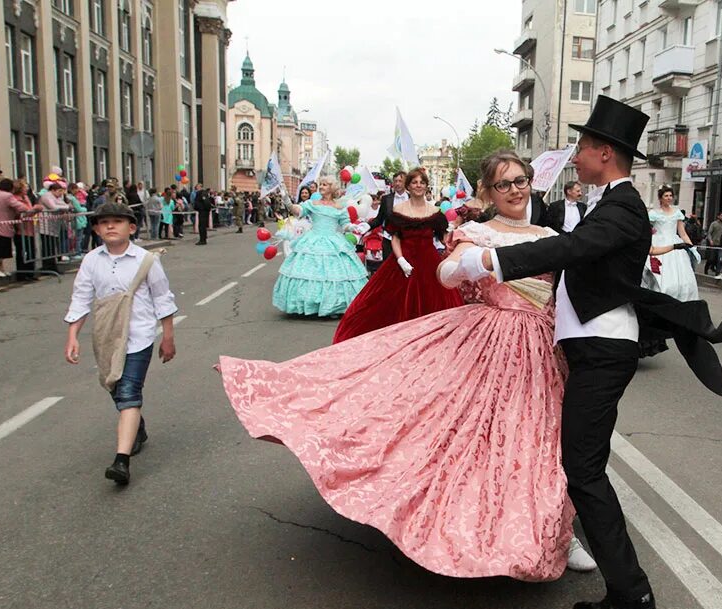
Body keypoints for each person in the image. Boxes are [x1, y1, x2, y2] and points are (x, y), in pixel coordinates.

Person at [218, 150, 597, 580]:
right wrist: (471, 263)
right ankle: (469, 517)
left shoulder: (549, 233)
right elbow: (447, 273)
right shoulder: (476, 231)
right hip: (489, 340)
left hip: (540, 347)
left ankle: (556, 531)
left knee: (540, 437)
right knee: (473, 435)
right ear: (489, 191)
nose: (515, 190)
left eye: (521, 180)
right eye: (504, 183)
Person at [450, 95, 722, 609]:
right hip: (590, 347)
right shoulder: (610, 201)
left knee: (583, 469)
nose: (574, 156)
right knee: (579, 464)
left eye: (581, 147)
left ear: (604, 152)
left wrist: (489, 259)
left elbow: (569, 251)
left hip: (604, 352)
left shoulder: (623, 209)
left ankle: (630, 591)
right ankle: (616, 578)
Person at [64, 202, 178, 486]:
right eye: (104, 223)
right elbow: (80, 297)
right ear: (96, 229)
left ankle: (121, 461)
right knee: (115, 387)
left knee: (128, 391)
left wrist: (168, 338)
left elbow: (162, 299)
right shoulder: (92, 260)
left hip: (139, 336)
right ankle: (136, 426)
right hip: (106, 337)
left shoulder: (146, 260)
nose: (111, 226)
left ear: (132, 227)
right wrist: (72, 336)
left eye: (118, 221)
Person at [331, 168, 463, 342]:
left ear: (426, 186)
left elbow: (444, 237)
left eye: (422, 182)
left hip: (428, 262)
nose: (418, 186)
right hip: (402, 261)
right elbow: (395, 238)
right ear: (408, 186)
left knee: (435, 302)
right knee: (385, 303)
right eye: (414, 182)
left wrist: (460, 238)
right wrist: (401, 260)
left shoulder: (435, 212)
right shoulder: (399, 210)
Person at [272, 176, 370, 317]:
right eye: (321, 184)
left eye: (324, 185)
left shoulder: (340, 206)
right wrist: (287, 201)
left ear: (332, 188)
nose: (321, 187)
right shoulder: (313, 203)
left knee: (335, 275)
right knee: (307, 273)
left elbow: (345, 224)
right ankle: (308, 304)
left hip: (333, 241)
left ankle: (334, 306)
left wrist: (353, 226)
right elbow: (298, 211)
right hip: (313, 240)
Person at [644, 187, 699, 301]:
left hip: (675, 243)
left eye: (670, 195)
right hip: (659, 244)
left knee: (681, 276)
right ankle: (659, 296)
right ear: (660, 198)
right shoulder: (654, 213)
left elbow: (682, 233)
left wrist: (692, 247)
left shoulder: (677, 212)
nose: (669, 198)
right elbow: (647, 230)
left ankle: (681, 300)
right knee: (661, 273)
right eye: (666, 196)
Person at [0, 178, 34, 278]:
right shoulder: (7, 196)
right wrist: (29, 209)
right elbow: (19, 206)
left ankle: (0, 269)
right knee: (1, 250)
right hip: (4, 225)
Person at [366, 171, 409, 260]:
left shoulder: (412, 198)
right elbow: (379, 219)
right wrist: (366, 226)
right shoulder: (386, 199)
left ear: (406, 182)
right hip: (388, 239)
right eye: (395, 181)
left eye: (400, 181)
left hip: (407, 240)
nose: (397, 183)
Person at [704, 211, 722, 276]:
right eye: (721, 216)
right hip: (714, 244)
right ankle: (706, 268)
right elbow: (709, 233)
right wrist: (710, 240)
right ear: (718, 216)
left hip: (720, 244)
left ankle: (717, 273)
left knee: (719, 259)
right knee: (711, 258)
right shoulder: (714, 224)